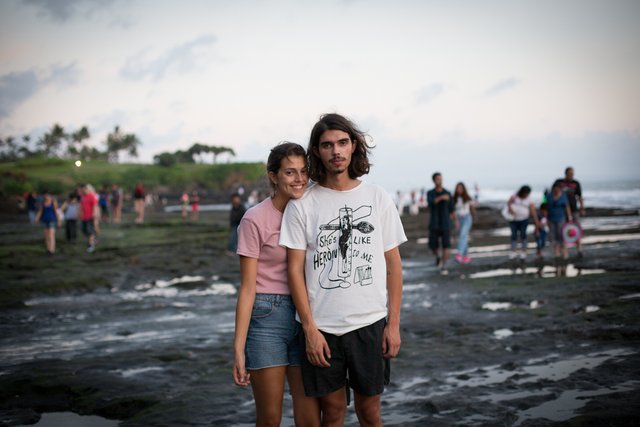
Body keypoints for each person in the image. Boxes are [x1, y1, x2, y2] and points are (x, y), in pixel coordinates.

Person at [280, 113, 407, 426]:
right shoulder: (303, 204)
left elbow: (394, 266)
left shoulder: (377, 198)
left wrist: (393, 324)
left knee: (370, 413)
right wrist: (309, 329)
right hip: (322, 329)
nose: (335, 151)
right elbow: (294, 271)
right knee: (333, 413)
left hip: (370, 323)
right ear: (317, 151)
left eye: (342, 142)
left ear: (354, 147)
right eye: (327, 145)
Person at [233, 142, 320, 426]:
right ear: (273, 176)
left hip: (307, 314)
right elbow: (247, 287)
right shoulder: (254, 219)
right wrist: (238, 346)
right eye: (290, 173)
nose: (299, 179)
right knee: (270, 418)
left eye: (304, 172)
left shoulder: (311, 212)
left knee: (309, 415)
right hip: (267, 316)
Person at [553, 167, 585, 258]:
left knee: (576, 230)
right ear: (566, 173)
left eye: (573, 173)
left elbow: (580, 197)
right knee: (562, 231)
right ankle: (564, 251)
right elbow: (552, 194)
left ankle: (579, 249)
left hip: (574, 210)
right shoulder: (559, 182)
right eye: (570, 173)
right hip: (561, 211)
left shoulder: (576, 183)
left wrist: (582, 208)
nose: (571, 175)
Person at [427, 172, 454, 274]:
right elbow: (430, 203)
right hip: (434, 223)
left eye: (441, 178)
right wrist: (441, 198)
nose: (440, 180)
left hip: (445, 223)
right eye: (438, 179)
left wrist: (455, 221)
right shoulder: (430, 193)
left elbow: (452, 209)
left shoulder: (448, 192)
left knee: (446, 245)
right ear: (434, 180)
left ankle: (444, 265)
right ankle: (438, 256)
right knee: (433, 246)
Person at [507, 185, 540, 259]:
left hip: (524, 220)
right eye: (526, 193)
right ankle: (513, 251)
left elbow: (533, 210)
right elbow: (508, 203)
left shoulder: (529, 199)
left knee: (523, 235)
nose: (526, 194)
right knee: (513, 235)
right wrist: (511, 210)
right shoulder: (515, 195)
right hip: (514, 219)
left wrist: (536, 221)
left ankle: (523, 251)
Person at [453, 182, 477, 264]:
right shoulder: (454, 199)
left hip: (467, 218)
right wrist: (455, 221)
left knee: (463, 235)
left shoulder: (467, 198)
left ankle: (459, 254)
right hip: (459, 219)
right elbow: (454, 212)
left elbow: (473, 207)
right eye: (458, 188)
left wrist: (474, 217)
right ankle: (466, 256)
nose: (459, 190)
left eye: (461, 188)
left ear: (463, 189)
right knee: (464, 237)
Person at [547, 182, 572, 259]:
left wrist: (570, 218)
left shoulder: (563, 196)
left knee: (562, 235)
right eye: (555, 189)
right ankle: (556, 252)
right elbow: (543, 205)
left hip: (561, 218)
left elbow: (567, 207)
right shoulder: (548, 196)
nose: (556, 190)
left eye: (558, 189)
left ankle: (564, 251)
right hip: (550, 218)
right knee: (553, 236)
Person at [34, 190, 62, 255]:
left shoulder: (53, 202)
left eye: (48, 195)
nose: (46, 197)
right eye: (45, 195)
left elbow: (56, 211)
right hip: (44, 220)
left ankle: (52, 249)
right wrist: (37, 218)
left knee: (51, 235)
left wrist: (59, 221)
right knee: (46, 235)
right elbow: (40, 212)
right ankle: (48, 249)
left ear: (50, 196)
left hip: (52, 220)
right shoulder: (43, 203)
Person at [81, 184, 98, 253]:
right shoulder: (83, 197)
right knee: (84, 230)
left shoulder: (92, 196)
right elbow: (81, 206)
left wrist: (94, 214)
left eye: (85, 189)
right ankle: (93, 240)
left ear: (88, 189)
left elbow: (95, 206)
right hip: (84, 217)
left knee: (90, 231)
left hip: (90, 216)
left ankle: (90, 245)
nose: (84, 190)